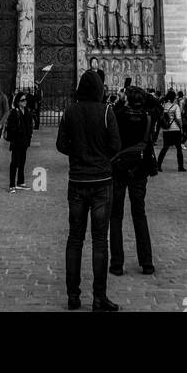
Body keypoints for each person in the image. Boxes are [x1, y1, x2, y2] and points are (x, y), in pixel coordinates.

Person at [55, 69, 122, 312]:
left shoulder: (70, 111)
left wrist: (79, 154)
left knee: (74, 239)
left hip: (77, 183)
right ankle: (98, 298)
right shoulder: (107, 111)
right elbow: (116, 145)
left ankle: (73, 297)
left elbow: (61, 144)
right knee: (99, 241)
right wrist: (100, 158)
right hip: (102, 182)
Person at [109, 85, 155, 277]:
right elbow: (154, 104)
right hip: (139, 169)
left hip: (119, 169)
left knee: (116, 216)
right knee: (139, 214)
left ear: (127, 100)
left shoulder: (117, 115)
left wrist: (120, 102)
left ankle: (117, 264)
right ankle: (147, 263)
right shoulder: (148, 117)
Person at [4, 91, 33, 192]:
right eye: (22, 100)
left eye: (25, 100)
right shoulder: (14, 112)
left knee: (22, 162)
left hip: (25, 141)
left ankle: (20, 182)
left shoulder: (27, 111)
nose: (25, 102)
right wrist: (18, 132)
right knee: (14, 162)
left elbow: (30, 125)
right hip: (17, 142)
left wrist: (29, 135)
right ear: (18, 102)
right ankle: (12, 184)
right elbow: (12, 128)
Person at [156, 90, 184, 171]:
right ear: (174, 97)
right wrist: (181, 127)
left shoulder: (164, 106)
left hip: (166, 129)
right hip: (175, 130)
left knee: (165, 147)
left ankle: (158, 165)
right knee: (178, 148)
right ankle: (180, 167)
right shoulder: (176, 106)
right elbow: (178, 119)